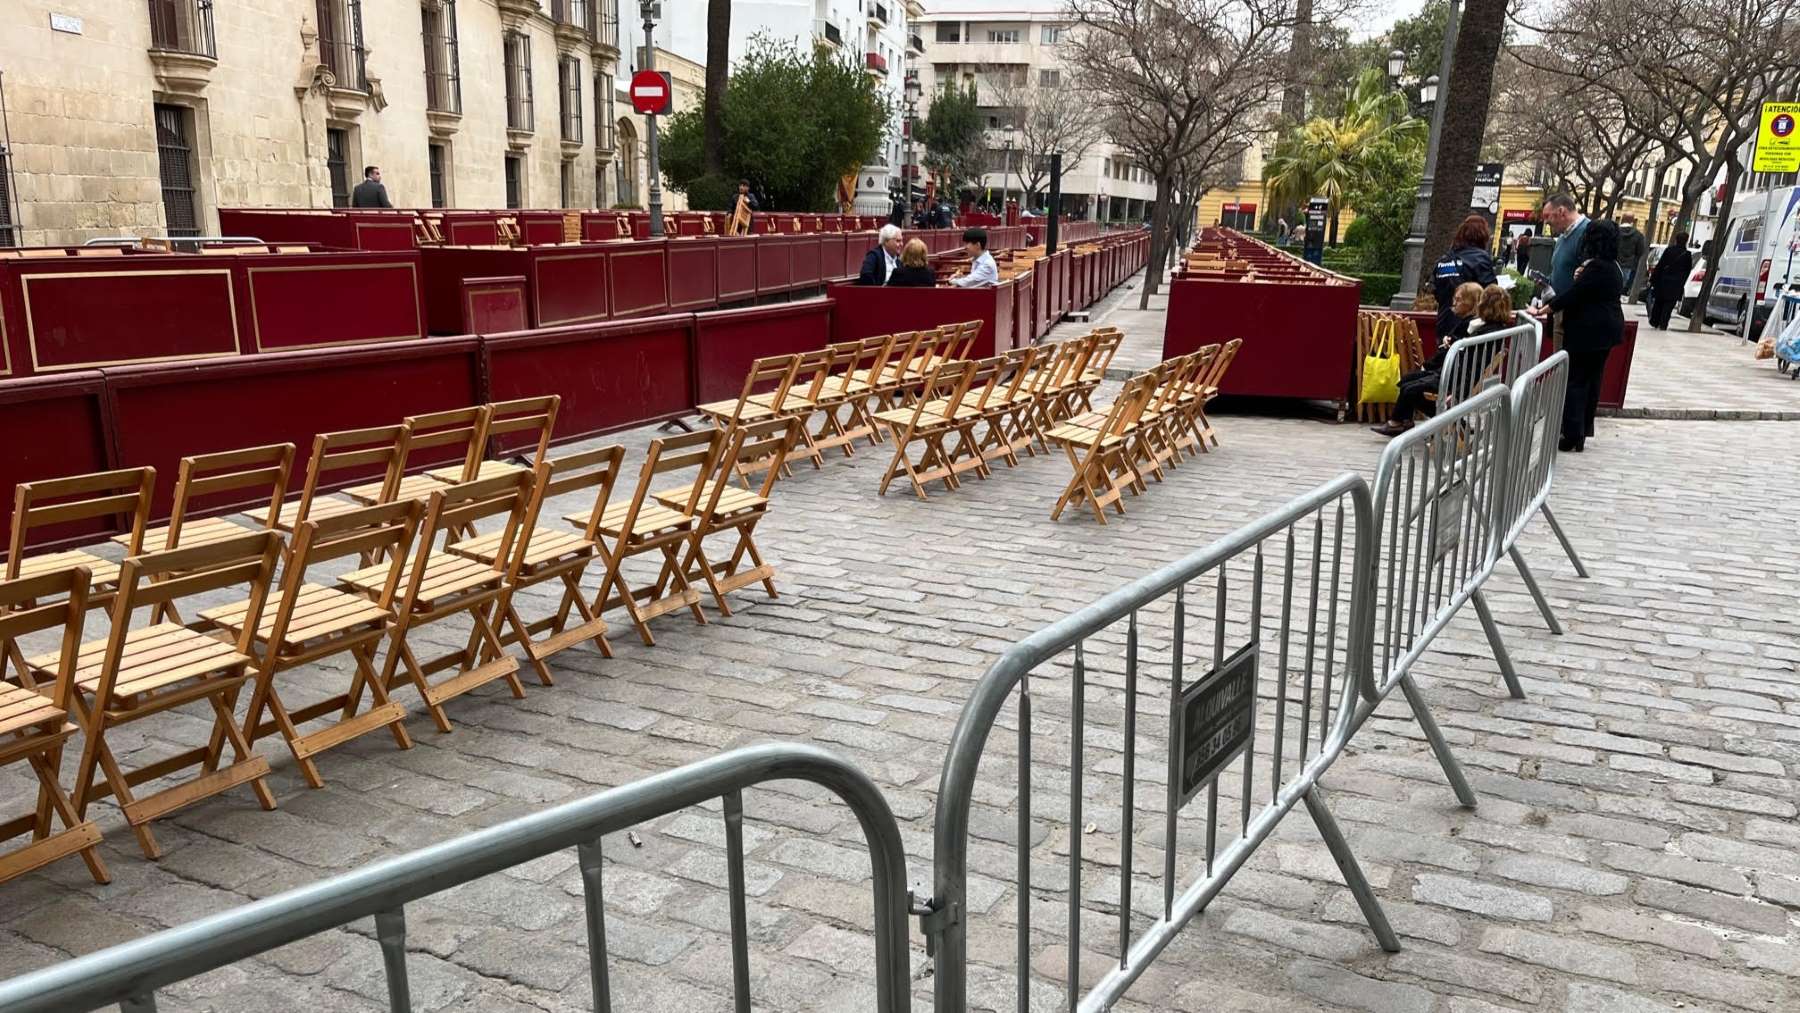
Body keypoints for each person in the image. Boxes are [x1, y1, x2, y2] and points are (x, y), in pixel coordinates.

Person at [1535, 218, 1625, 452]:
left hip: (1589, 331)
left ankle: (1572, 434)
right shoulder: (1611, 266)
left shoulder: (1596, 267)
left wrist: (1547, 307)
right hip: (1606, 331)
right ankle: (1582, 431)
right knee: (1592, 381)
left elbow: (1576, 294)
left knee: (1576, 381)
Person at [1374, 281, 1490, 436]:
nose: (1454, 303)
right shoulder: (1467, 323)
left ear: (1471, 303)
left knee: (1409, 388)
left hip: (1453, 378)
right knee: (1407, 382)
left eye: (1459, 299)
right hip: (1451, 373)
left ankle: (1402, 422)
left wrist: (1432, 361)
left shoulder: (1468, 326)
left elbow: (1454, 353)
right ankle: (1406, 421)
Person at [1431, 215, 1499, 338]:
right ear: (1482, 236)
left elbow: (1436, 292)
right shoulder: (1481, 258)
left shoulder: (1444, 260)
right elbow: (1491, 293)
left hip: (1444, 323)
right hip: (1468, 328)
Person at [1540, 194, 1590, 349]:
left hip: (1574, 317)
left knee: (1566, 366)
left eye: (1548, 216)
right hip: (1559, 312)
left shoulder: (1587, 233)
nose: (1546, 221)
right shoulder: (1562, 237)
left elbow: (1586, 280)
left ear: (1562, 211)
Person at [1646, 231, 1693, 330]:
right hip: (1676, 284)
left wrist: (1653, 279)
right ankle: (1663, 324)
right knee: (1669, 306)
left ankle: (1654, 321)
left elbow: (1660, 266)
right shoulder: (1687, 255)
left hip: (1663, 282)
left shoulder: (1669, 250)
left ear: (1676, 240)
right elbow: (1687, 271)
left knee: (1659, 302)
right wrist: (1681, 282)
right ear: (1686, 241)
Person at [1615, 215, 1647, 295]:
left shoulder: (1614, 232)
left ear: (1622, 220)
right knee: (1623, 284)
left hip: (1614, 262)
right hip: (1629, 264)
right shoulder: (1638, 235)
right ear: (1632, 221)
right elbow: (1640, 251)